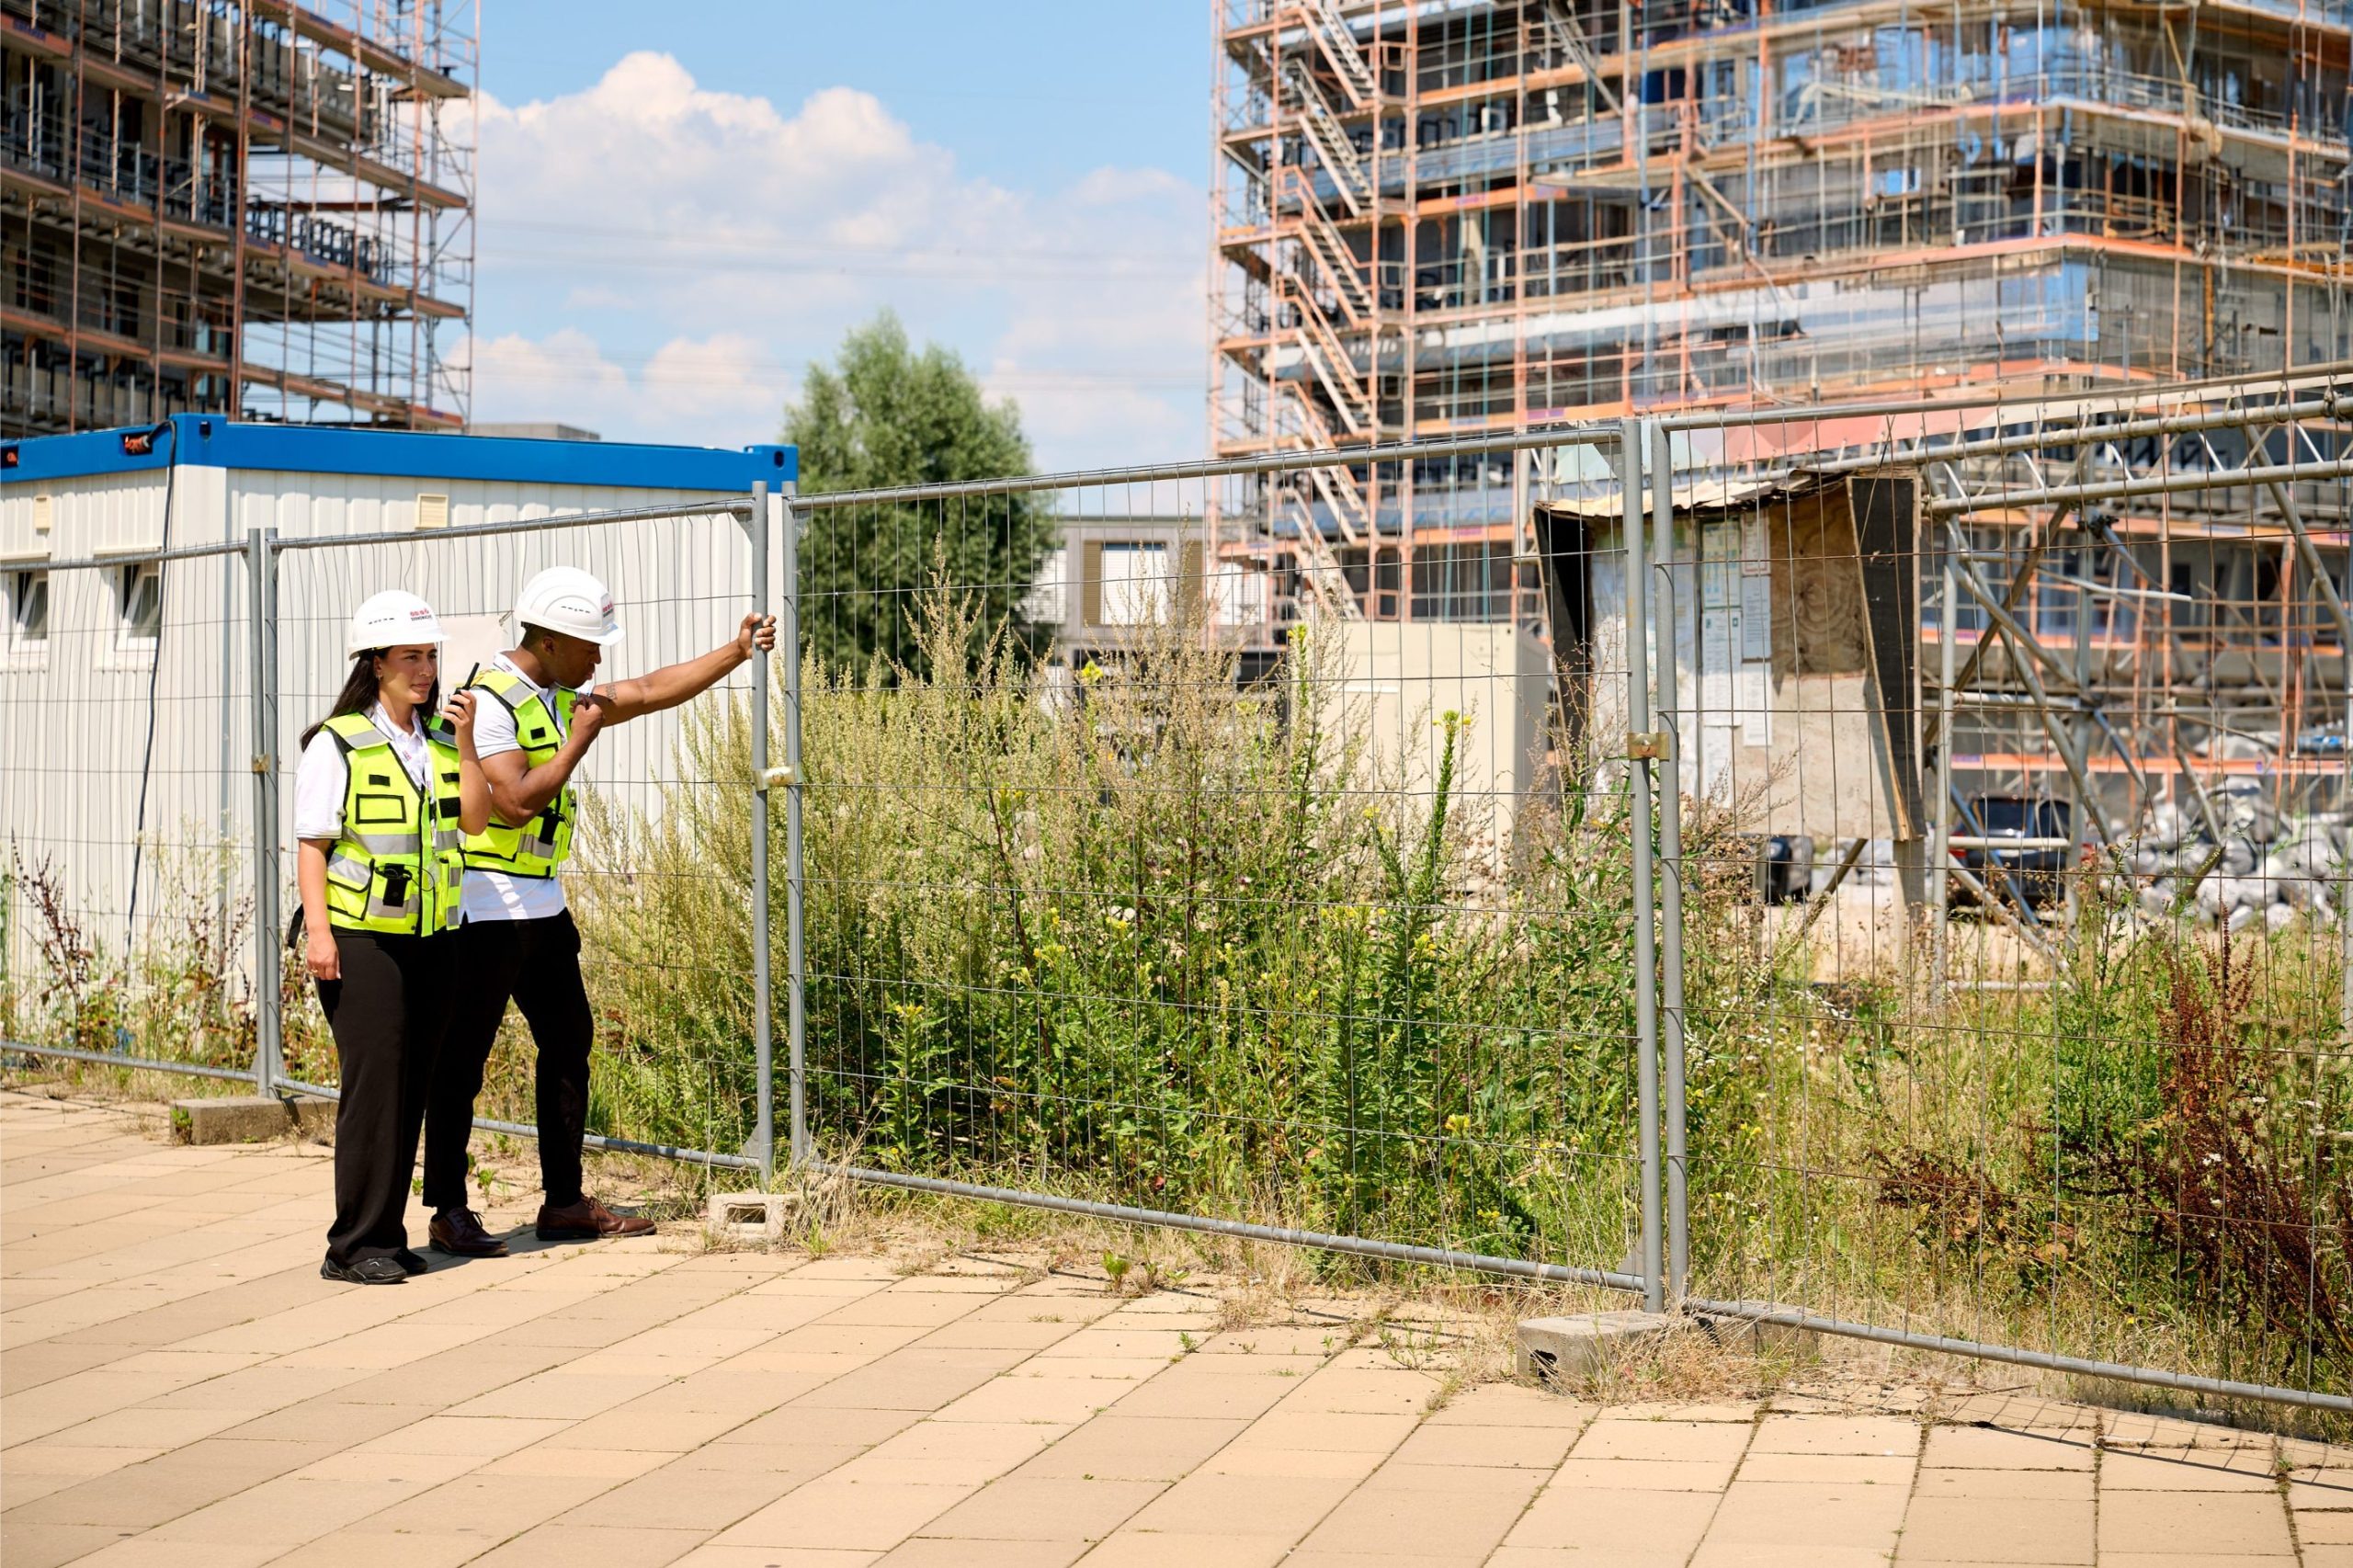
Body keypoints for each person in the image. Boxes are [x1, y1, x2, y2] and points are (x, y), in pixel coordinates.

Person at [421, 567, 776, 1256]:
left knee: (569, 1044)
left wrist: (735, 652)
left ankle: (564, 1203)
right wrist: (582, 738)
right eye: (590, 644)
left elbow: (646, 692)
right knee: (462, 1059)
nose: (600, 659)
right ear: (550, 641)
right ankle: (449, 1209)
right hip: (485, 904)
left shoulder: (556, 692)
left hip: (542, 903)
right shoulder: (489, 700)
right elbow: (515, 800)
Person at [293, 591, 489, 1285]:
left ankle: (387, 1234)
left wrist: (465, 743)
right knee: (374, 1089)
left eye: (432, 655)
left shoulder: (436, 743)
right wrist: (319, 934)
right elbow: (312, 846)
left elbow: (473, 821)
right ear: (375, 664)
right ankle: (352, 1245)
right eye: (411, 657)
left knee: (412, 1087)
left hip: (435, 939)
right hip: (361, 940)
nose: (427, 669)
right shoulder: (337, 741)